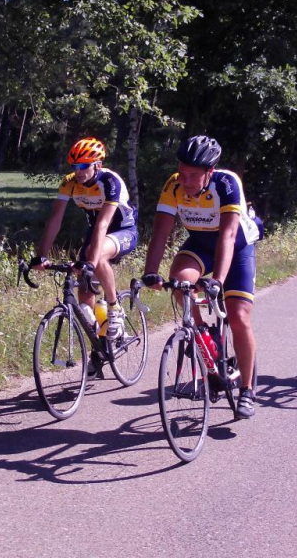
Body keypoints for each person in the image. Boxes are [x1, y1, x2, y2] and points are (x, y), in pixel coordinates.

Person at [142, 135, 261, 419]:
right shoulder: (173, 185)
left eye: (193, 175)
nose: (185, 180)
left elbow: (229, 235)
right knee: (180, 281)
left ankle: (246, 389)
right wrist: (150, 272)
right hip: (199, 244)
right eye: (182, 173)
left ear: (210, 172)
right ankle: (205, 337)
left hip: (236, 247)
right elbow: (161, 232)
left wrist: (217, 280)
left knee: (238, 316)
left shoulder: (227, 183)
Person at [31, 137, 138, 342]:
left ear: (97, 165)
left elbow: (103, 224)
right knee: (85, 295)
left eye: (83, 166)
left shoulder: (110, 181)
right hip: (96, 231)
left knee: (93, 257)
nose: (78, 171)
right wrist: (41, 256)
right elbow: (55, 220)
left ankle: (114, 308)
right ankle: (100, 347)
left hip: (123, 229)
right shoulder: (70, 182)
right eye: (74, 166)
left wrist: (90, 263)